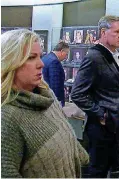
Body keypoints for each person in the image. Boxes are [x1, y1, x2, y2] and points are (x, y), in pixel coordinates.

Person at [1, 29, 89, 178]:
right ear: (10, 63)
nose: (41, 64)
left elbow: (64, 132)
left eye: (40, 56)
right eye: (31, 57)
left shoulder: (47, 94)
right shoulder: (7, 119)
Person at [71, 15, 119, 178]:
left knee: (111, 169)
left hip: (116, 125)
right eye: (117, 31)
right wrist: (101, 114)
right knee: (97, 171)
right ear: (103, 32)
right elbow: (77, 94)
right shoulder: (93, 57)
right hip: (99, 128)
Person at [42, 41, 69, 107]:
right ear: (62, 51)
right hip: (53, 100)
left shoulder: (46, 57)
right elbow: (55, 84)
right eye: (66, 54)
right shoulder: (54, 61)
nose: (66, 57)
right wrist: (57, 102)